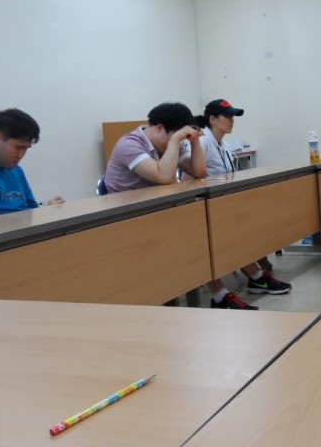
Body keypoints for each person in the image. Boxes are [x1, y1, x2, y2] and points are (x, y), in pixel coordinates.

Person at [105, 102, 250, 311]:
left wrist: (195, 141)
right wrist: (175, 140)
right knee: (188, 236)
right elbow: (164, 176)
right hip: (124, 218)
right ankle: (217, 295)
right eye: (176, 137)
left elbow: (199, 172)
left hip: (154, 211)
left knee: (201, 230)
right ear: (159, 128)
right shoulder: (129, 144)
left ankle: (219, 295)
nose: (179, 142)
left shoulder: (171, 141)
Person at [194, 99, 291, 306]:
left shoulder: (225, 145)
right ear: (212, 119)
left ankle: (257, 276)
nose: (232, 120)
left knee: (248, 224)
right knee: (230, 233)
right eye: (227, 116)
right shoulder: (202, 142)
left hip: (223, 205)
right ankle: (238, 285)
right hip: (205, 210)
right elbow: (190, 181)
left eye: (233, 116)